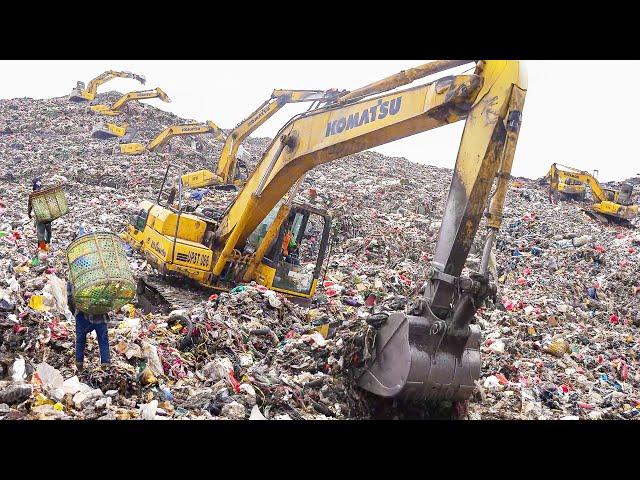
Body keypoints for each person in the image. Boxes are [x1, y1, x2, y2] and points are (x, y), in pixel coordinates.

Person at [66, 228, 111, 372]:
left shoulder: (73, 275)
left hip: (82, 314)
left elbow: (70, 297)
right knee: (103, 339)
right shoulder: (98, 270)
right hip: (99, 313)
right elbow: (107, 292)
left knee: (80, 340)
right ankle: (105, 365)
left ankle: (79, 366)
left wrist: (75, 311)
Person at [27, 177, 53, 251]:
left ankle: (42, 247)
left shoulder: (32, 194)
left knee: (41, 233)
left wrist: (29, 214)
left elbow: (30, 205)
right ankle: (46, 246)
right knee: (48, 231)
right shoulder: (45, 192)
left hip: (40, 217)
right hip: (48, 216)